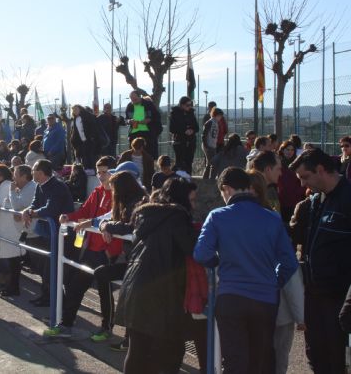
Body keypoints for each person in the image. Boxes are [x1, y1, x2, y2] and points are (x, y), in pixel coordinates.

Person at [194, 167, 298, 374]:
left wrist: (219, 262)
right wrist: (274, 281)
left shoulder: (217, 216)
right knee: (260, 359)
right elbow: (289, 262)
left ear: (226, 188)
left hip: (231, 296)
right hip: (265, 298)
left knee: (234, 360)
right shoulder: (272, 218)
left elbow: (201, 254)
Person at [116, 178, 198, 374]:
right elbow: (192, 248)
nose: (194, 204)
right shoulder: (177, 217)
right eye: (192, 200)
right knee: (174, 348)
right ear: (182, 198)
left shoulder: (147, 214)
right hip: (161, 291)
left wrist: (105, 226)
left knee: (138, 349)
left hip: (135, 286)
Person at [44, 156, 122, 338]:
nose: (101, 176)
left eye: (105, 172)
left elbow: (112, 218)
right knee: (77, 286)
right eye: (99, 172)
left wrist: (87, 223)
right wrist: (68, 216)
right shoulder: (97, 192)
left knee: (105, 291)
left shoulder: (118, 195)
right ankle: (65, 324)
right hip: (92, 249)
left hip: (107, 250)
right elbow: (85, 211)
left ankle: (107, 328)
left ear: (114, 172)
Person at [289, 148, 351, 373]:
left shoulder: (347, 199)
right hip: (314, 297)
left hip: (339, 300)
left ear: (321, 170)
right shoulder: (313, 203)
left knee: (337, 360)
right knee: (315, 356)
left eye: (305, 177)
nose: (304, 185)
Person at [91, 171, 148, 348]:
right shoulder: (126, 203)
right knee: (101, 273)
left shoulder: (140, 203)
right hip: (132, 261)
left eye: (114, 188)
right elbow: (105, 219)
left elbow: (130, 227)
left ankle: (129, 339)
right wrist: (103, 225)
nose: (112, 192)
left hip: (142, 262)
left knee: (130, 294)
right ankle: (108, 325)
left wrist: (107, 226)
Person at [22, 159, 74, 307]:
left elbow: (51, 209)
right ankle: (47, 295)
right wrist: (28, 210)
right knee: (45, 266)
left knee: (53, 267)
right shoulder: (40, 186)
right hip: (46, 233)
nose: (32, 173)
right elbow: (35, 203)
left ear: (40, 172)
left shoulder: (57, 186)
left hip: (60, 234)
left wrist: (32, 213)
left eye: (33, 171)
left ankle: (57, 299)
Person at [3, 164, 37, 296]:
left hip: (33, 232)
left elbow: (16, 206)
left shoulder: (30, 188)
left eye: (16, 175)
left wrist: (12, 191)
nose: (13, 178)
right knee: (21, 260)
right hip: (25, 231)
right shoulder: (23, 189)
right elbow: (10, 205)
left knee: (41, 265)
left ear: (24, 176)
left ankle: (50, 296)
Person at [277, 140, 306, 222]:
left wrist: (298, 192)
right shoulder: (277, 163)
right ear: (282, 150)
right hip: (280, 200)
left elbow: (303, 180)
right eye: (287, 149)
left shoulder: (297, 164)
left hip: (294, 200)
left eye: (292, 150)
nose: (290, 152)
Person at [169, 96, 199, 175]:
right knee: (180, 163)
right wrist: (184, 131)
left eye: (190, 105)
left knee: (189, 162)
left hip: (191, 141)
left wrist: (191, 130)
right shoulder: (174, 113)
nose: (189, 107)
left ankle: (188, 179)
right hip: (179, 142)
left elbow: (196, 127)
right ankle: (177, 180)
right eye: (187, 105)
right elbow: (172, 129)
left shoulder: (191, 113)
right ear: (181, 105)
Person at [125, 90, 159, 158]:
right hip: (134, 134)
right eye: (131, 99)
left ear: (140, 97)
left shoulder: (148, 104)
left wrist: (142, 121)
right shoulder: (129, 106)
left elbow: (153, 117)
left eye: (135, 99)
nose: (133, 101)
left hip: (148, 134)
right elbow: (126, 119)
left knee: (148, 154)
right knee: (134, 154)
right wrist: (129, 121)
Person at [70, 104, 102, 170]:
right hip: (82, 143)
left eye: (76, 109)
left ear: (80, 109)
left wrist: (92, 138)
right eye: (73, 110)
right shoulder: (75, 119)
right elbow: (75, 132)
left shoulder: (88, 116)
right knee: (84, 162)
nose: (74, 111)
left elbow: (94, 128)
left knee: (91, 161)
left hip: (91, 142)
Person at [201, 107, 223, 179]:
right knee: (212, 163)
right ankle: (210, 179)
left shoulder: (216, 123)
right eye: (220, 116)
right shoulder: (210, 122)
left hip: (212, 145)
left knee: (209, 163)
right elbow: (204, 134)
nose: (220, 118)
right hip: (208, 145)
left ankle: (206, 179)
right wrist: (206, 145)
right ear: (216, 115)